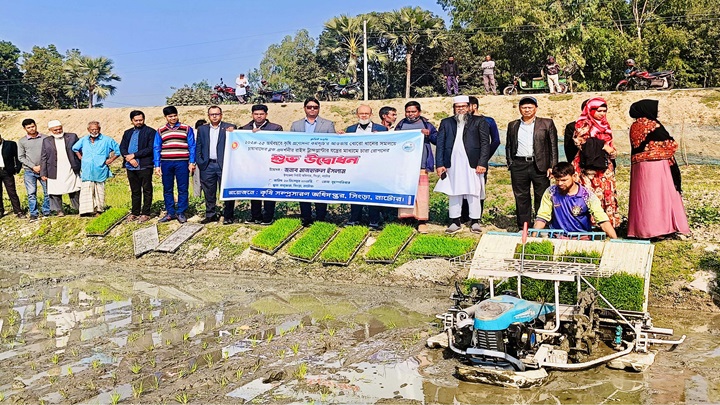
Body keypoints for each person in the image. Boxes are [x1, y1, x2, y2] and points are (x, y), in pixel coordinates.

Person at [627, 99, 690, 239]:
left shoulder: (635, 126)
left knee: (644, 196)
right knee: (658, 195)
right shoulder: (653, 124)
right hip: (656, 165)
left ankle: (642, 229)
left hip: (639, 167)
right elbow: (670, 144)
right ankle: (659, 229)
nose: (658, 112)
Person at [435, 95, 491, 234]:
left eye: (463, 107)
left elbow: (485, 143)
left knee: (474, 191)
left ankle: (475, 221)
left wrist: (482, 162)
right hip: (451, 163)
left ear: (469, 107)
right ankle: (455, 221)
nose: (461, 109)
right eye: (458, 107)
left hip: (472, 163)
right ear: (454, 108)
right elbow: (440, 144)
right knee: (454, 191)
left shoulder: (479, 121)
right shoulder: (446, 122)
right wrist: (440, 164)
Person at [506, 96, 558, 229]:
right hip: (519, 165)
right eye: (524, 107)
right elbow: (509, 145)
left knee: (542, 196)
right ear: (519, 109)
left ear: (536, 108)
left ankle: (542, 226)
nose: (527, 110)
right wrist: (510, 163)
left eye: (530, 107)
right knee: (521, 197)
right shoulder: (513, 125)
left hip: (540, 165)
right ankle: (524, 226)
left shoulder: (546, 123)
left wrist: (552, 166)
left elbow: (553, 146)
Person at [571, 97, 621, 228]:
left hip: (604, 165)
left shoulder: (605, 124)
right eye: (599, 110)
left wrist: (613, 151)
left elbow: (610, 143)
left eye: (604, 111)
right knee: (589, 193)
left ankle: (606, 225)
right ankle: (587, 225)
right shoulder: (583, 123)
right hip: (588, 166)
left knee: (606, 193)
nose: (602, 113)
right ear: (590, 109)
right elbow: (580, 141)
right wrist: (603, 146)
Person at [533, 162, 617, 239]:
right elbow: (542, 217)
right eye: (557, 180)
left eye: (564, 180)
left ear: (574, 177)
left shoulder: (587, 195)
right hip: (557, 236)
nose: (560, 184)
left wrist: (615, 240)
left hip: (582, 237)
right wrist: (532, 238)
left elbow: (602, 220)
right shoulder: (551, 192)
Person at [290, 98, 336, 226]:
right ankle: (306, 218)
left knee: (321, 190)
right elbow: (291, 144)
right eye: (309, 107)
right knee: (304, 191)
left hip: (321, 164)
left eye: (315, 107)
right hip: (302, 164)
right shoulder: (296, 125)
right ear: (304, 108)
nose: (312, 109)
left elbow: (333, 144)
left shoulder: (328, 124)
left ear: (319, 109)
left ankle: (321, 218)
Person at [394, 101, 437, 234]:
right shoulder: (401, 125)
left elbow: (437, 139)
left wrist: (429, 134)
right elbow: (394, 140)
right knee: (405, 190)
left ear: (419, 112)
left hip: (421, 164)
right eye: (408, 111)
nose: (410, 114)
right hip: (404, 165)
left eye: (413, 111)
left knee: (421, 193)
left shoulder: (426, 124)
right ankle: (406, 218)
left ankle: (422, 221)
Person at [345, 105, 388, 229]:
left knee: (373, 193)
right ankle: (354, 218)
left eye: (366, 113)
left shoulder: (381, 129)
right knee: (355, 192)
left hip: (374, 168)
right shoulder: (350, 130)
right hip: (356, 167)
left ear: (371, 115)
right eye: (361, 113)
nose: (364, 116)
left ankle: (374, 221)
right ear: (357, 115)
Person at [240, 104, 283, 225]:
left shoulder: (276, 128)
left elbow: (279, 144)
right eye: (256, 114)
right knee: (254, 191)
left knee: (269, 191)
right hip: (252, 165)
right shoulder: (244, 129)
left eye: (261, 114)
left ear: (266, 115)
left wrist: (261, 134)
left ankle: (268, 217)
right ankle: (255, 216)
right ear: (252, 115)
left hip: (269, 165)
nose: (259, 116)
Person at [153, 106, 196, 224]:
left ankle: (181, 212)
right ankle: (170, 212)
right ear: (166, 117)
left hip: (182, 162)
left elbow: (192, 145)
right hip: (166, 163)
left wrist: (192, 162)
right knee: (167, 188)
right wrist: (157, 165)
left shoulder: (186, 128)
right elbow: (157, 147)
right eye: (170, 116)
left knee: (183, 188)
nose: (173, 118)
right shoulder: (160, 130)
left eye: (174, 115)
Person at [462, 96, 501, 223]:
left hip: (479, 162)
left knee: (478, 189)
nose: (464, 109)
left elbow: (495, 140)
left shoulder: (488, 121)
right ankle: (463, 216)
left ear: (474, 106)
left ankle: (476, 217)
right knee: (462, 189)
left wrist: (484, 158)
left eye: (466, 106)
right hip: (462, 161)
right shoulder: (461, 121)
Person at [196, 106, 235, 224]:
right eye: (212, 114)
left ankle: (228, 216)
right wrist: (200, 161)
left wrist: (233, 132)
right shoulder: (202, 129)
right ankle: (210, 214)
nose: (214, 116)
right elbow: (199, 146)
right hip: (207, 165)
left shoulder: (229, 127)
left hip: (223, 165)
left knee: (227, 191)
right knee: (209, 191)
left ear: (221, 115)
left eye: (217, 114)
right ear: (208, 116)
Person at [72, 121, 121, 216]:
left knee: (99, 190)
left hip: (100, 169)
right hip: (87, 170)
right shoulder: (84, 140)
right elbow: (75, 148)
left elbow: (118, 150)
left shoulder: (107, 140)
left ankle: (99, 210)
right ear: (88, 130)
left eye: (96, 129)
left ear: (99, 129)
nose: (94, 131)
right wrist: (80, 156)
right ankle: (87, 211)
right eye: (92, 129)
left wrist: (111, 160)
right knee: (87, 189)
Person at [120, 110, 156, 222]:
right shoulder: (127, 133)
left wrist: (134, 155)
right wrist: (128, 158)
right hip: (130, 166)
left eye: (141, 120)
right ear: (132, 121)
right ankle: (135, 212)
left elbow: (150, 148)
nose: (139, 122)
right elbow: (122, 147)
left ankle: (146, 213)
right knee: (135, 190)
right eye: (136, 120)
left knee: (147, 189)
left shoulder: (150, 132)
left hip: (144, 165)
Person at [40, 120, 81, 216]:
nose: (58, 131)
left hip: (70, 167)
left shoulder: (72, 136)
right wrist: (43, 173)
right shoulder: (46, 141)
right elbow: (43, 157)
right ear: (50, 130)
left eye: (60, 129)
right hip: (54, 169)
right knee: (55, 191)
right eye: (55, 130)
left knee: (74, 189)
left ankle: (79, 209)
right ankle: (59, 211)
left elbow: (80, 150)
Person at [17, 118, 50, 220]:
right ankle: (34, 213)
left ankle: (47, 211)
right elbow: (21, 157)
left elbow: (49, 153)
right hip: (29, 171)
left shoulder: (45, 138)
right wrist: (33, 166)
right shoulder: (22, 141)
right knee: (31, 193)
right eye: (29, 127)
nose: (31, 129)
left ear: (36, 125)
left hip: (44, 170)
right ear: (24, 129)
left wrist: (42, 166)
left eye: (33, 126)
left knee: (48, 192)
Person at [0, 132, 24, 218]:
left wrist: (17, 168)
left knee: (12, 192)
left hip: (7, 171)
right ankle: (0, 212)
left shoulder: (10, 144)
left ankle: (18, 211)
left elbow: (18, 157)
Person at [192, 119, 207, 199]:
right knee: (197, 181)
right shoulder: (194, 136)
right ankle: (197, 199)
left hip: (206, 161)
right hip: (197, 162)